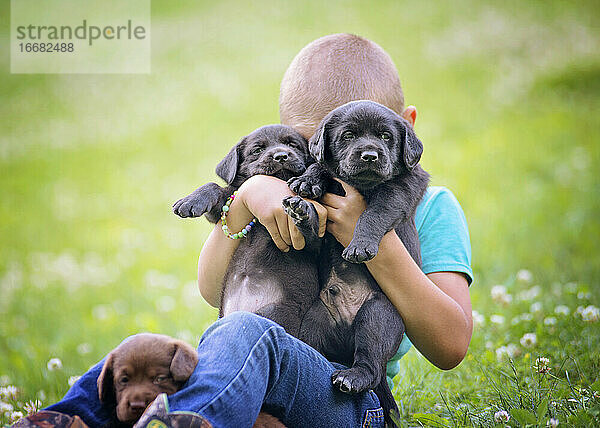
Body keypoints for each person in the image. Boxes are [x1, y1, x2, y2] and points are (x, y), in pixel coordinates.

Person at [39, 33, 473, 428]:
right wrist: (244, 200)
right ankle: (67, 419)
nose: (332, 166)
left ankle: (185, 422)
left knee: (247, 333)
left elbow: (451, 345)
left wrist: (371, 237)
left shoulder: (431, 207)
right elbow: (213, 291)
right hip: (261, 377)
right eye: (316, 147)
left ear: (405, 127)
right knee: (149, 352)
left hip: (353, 402)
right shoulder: (287, 194)